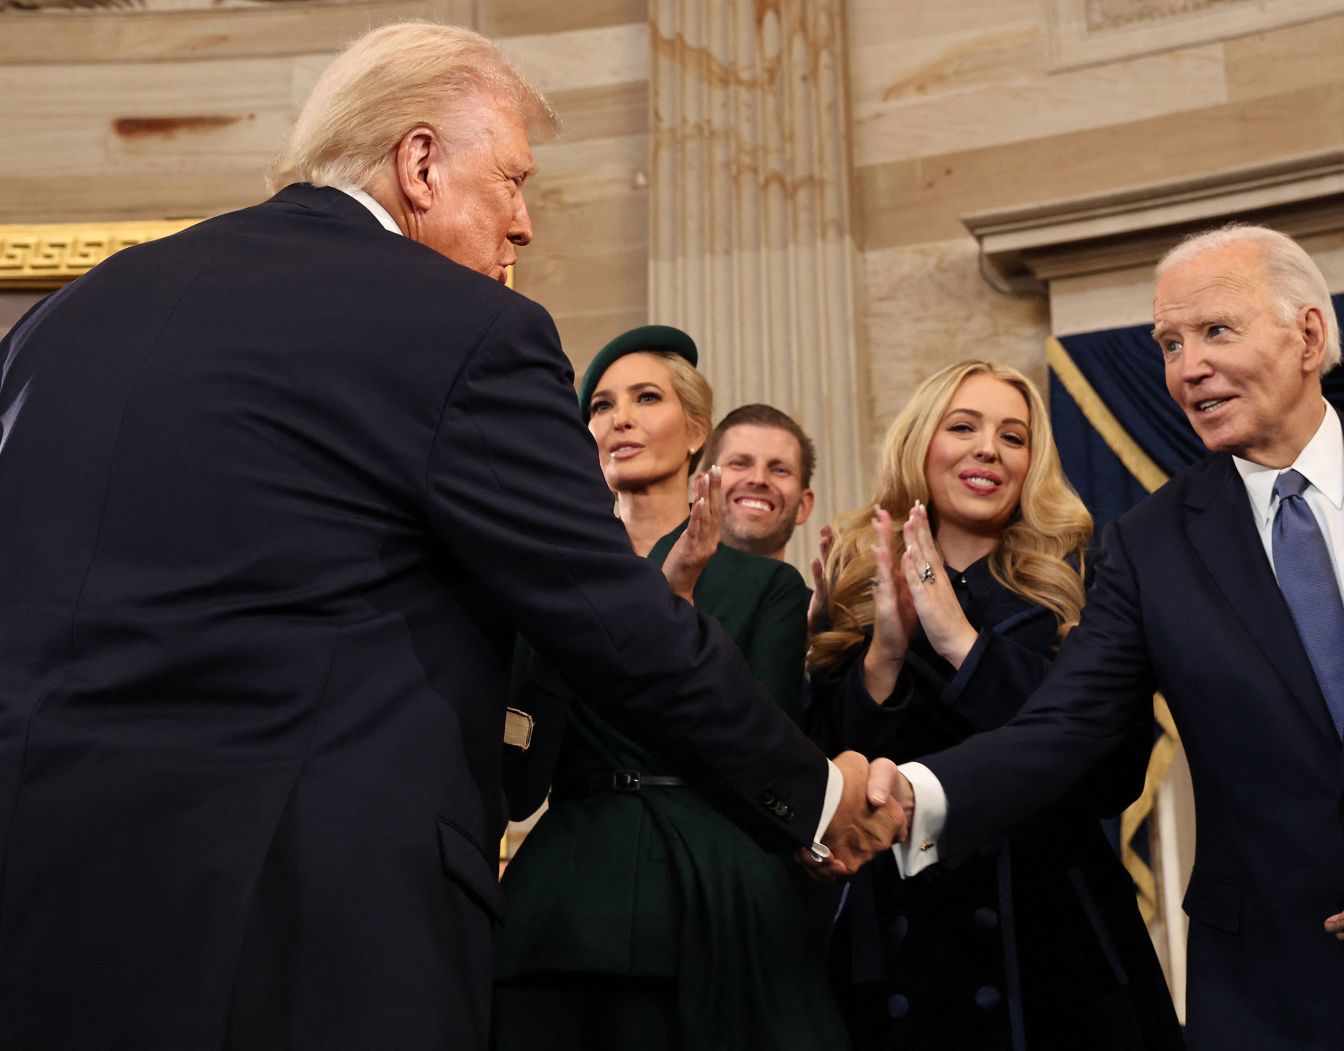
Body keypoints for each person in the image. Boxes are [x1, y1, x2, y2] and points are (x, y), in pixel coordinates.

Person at [0, 23, 897, 1049]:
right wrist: (821, 796)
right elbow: (608, 614)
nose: (522, 227)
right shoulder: (462, 327)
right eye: (512, 181)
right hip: (301, 930)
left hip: (42, 905)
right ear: (418, 162)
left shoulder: (66, 318)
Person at [869, 225, 1344, 1049]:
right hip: (1270, 997)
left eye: (1215, 331)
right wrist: (909, 794)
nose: (1185, 367)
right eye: (1168, 343)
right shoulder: (1147, 542)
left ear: (1308, 334)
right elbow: (1065, 728)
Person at [804, 361, 1180, 1050]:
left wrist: (963, 645)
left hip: (1054, 946)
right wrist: (884, 652)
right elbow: (832, 783)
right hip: (897, 955)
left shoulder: (1087, 585)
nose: (989, 449)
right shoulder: (857, 584)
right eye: (963, 426)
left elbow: (1112, 775)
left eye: (1013, 436)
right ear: (921, 443)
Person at [492, 326, 846, 1049]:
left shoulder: (765, 586)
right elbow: (519, 784)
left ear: (694, 434)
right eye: (600, 405)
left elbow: (759, 762)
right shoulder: (548, 580)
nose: (618, 417)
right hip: (564, 900)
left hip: (709, 898)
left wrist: (674, 606)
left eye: (644, 397)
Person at [700, 402, 817, 560]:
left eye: (779, 470)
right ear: (702, 488)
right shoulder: (662, 584)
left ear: (803, 506)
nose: (758, 479)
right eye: (739, 464)